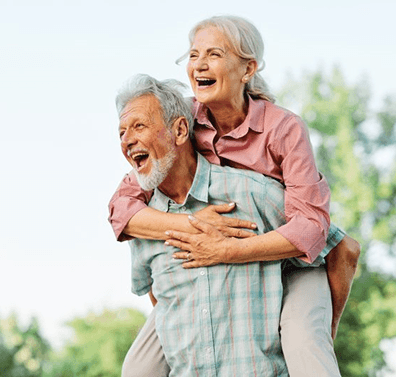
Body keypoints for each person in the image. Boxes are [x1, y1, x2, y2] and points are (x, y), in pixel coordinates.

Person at [110, 16, 360, 377]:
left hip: (288, 260)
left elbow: (311, 230)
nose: (199, 64)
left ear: (248, 69)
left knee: (305, 343)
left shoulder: (283, 129)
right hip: (213, 259)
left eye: (214, 54)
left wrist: (227, 250)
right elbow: (121, 208)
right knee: (137, 367)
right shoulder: (184, 120)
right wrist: (192, 224)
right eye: (193, 55)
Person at [118, 73, 294, 375]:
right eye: (121, 132)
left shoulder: (254, 194)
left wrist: (314, 335)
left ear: (180, 129)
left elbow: (328, 247)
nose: (127, 140)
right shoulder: (142, 226)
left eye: (139, 126)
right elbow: (160, 300)